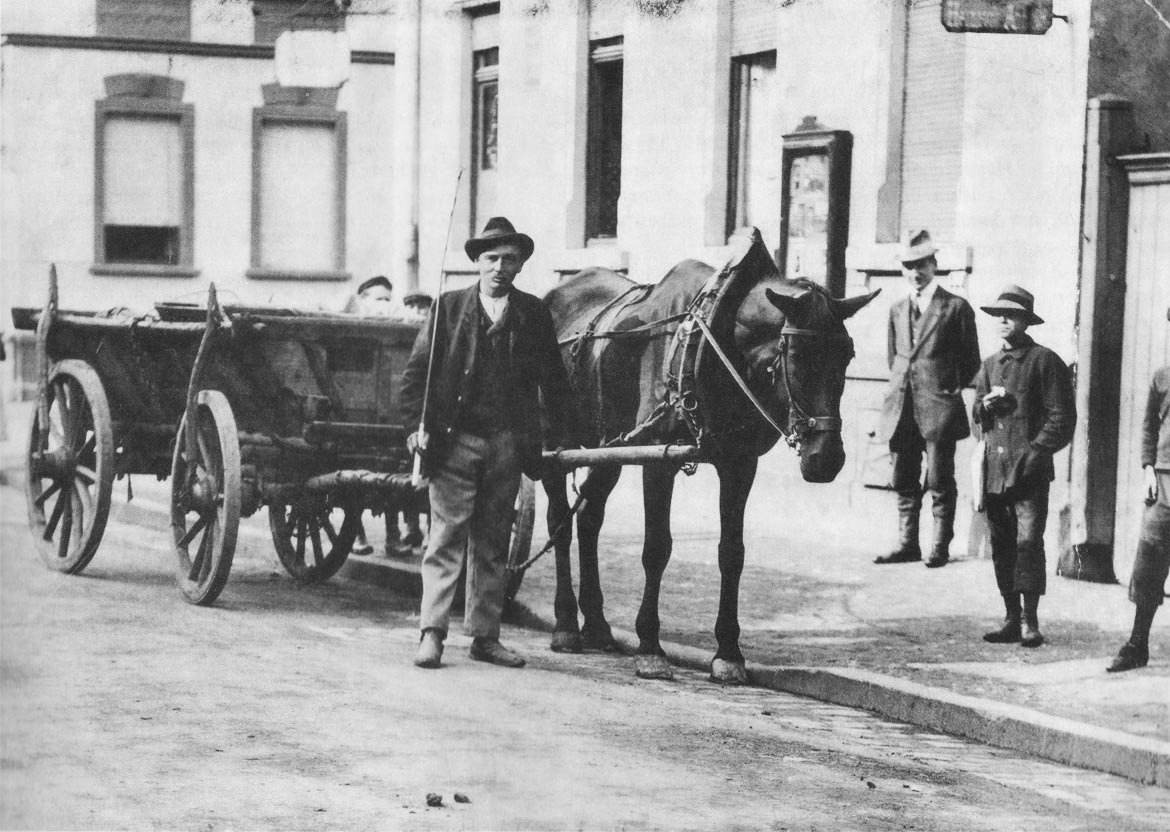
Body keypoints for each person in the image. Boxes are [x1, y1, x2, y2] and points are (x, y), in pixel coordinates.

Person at [400, 216, 574, 669]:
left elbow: (554, 383)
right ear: (477, 262)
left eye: (509, 259)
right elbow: (416, 376)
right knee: (445, 538)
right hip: (454, 443)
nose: (499, 267)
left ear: (519, 266)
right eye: (491, 258)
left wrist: (560, 439)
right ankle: (432, 634)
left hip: (507, 445)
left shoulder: (534, 314)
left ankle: (485, 636)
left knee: (493, 543)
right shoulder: (449, 308)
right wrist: (416, 429)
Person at [972, 285, 1076, 648]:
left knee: (1028, 543)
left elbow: (1061, 418)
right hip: (996, 472)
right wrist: (983, 408)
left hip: (1029, 473)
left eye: (1011, 314)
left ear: (1025, 321)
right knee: (1002, 545)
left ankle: (1031, 620)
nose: (1002, 320)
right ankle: (1010, 618)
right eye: (997, 314)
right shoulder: (988, 365)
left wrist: (1035, 453)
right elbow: (976, 421)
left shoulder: (1045, 361)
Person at [875, 229, 981, 568]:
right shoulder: (895, 309)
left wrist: (944, 388)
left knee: (938, 478)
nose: (915, 272)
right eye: (908, 266)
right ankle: (908, 544)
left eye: (922, 265)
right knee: (903, 477)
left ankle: (939, 546)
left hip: (938, 408)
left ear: (934, 265)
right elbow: (895, 359)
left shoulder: (955, 308)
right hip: (902, 406)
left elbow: (971, 363)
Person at [1107, 307, 1170, 672]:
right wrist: (1148, 468)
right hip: (1162, 482)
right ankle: (1137, 644)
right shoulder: (1162, 377)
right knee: (1149, 564)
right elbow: (1148, 427)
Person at [345, 276, 424, 555]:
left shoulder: (401, 328)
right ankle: (356, 535)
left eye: (389, 300)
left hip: (390, 419)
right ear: (363, 299)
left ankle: (393, 538)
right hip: (351, 421)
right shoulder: (349, 323)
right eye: (379, 300)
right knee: (351, 478)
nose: (385, 306)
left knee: (391, 479)